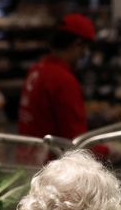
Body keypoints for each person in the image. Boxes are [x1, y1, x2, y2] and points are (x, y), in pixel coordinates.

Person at [17, 14, 98, 164]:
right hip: (52, 168)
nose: (83, 56)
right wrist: (108, 150)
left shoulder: (37, 69)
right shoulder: (63, 80)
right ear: (77, 44)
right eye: (85, 49)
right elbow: (75, 142)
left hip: (29, 160)